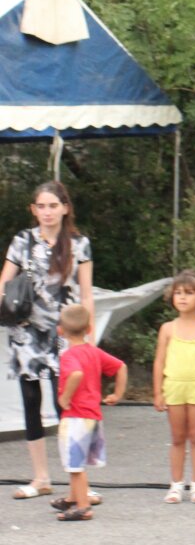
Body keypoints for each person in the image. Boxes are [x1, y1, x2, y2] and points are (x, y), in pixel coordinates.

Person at [1, 181, 95, 502]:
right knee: (30, 400)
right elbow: (4, 280)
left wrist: (89, 337)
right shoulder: (22, 241)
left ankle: (77, 482)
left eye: (53, 205)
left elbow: (86, 294)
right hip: (25, 331)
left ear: (65, 208)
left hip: (64, 332)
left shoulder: (79, 244)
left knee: (65, 403)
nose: (47, 212)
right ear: (33, 209)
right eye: (41, 206)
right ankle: (40, 477)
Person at [49, 303, 126, 522]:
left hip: (75, 417)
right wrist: (117, 394)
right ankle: (74, 497)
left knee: (74, 465)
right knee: (77, 461)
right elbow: (121, 367)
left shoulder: (68, 355)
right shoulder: (94, 352)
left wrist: (64, 398)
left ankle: (82, 507)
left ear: (60, 330)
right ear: (89, 328)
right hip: (92, 416)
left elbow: (75, 374)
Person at [152, 269, 195, 504]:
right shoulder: (167, 329)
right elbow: (159, 361)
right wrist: (158, 392)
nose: (183, 298)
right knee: (178, 437)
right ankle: (176, 485)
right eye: (178, 293)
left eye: (189, 293)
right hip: (174, 388)